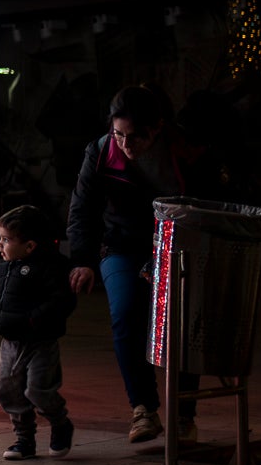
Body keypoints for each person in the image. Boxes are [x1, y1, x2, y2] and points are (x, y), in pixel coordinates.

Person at [66, 86, 217, 444]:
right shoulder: (101, 151)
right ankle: (144, 410)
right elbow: (82, 209)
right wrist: (83, 261)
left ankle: (184, 414)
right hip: (121, 245)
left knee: (181, 327)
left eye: (135, 136)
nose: (126, 144)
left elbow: (212, 205)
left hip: (180, 247)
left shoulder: (188, 152)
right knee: (125, 314)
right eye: (118, 134)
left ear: (158, 127)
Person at [0, 205, 76, 460]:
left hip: (40, 342)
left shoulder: (52, 267)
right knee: (9, 390)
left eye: (6, 240)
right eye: (0, 238)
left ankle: (60, 423)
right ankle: (24, 439)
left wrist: (32, 320)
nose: (0, 245)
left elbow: (61, 301)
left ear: (29, 246)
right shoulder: (1, 269)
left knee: (38, 389)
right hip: (10, 343)